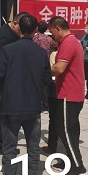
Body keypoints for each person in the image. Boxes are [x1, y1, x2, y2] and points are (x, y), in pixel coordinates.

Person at [0, 14, 52, 175]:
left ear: (19, 28)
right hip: (33, 107)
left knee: (9, 148)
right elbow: (46, 80)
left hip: (10, 107)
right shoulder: (41, 53)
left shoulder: (8, 50)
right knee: (33, 148)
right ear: (35, 30)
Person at [47, 16, 88, 175]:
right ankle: (69, 162)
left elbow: (58, 69)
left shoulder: (68, 43)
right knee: (68, 129)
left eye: (52, 32)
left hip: (68, 94)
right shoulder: (71, 41)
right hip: (70, 93)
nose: (52, 36)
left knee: (66, 131)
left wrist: (41, 70)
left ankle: (78, 168)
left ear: (58, 28)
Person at [0, 11, 28, 155]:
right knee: (0, 111)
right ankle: (0, 144)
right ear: (14, 23)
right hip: (1, 77)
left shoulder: (9, 31)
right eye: (20, 28)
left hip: (0, 76)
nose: (21, 32)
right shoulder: (6, 36)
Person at [33, 21, 59, 155]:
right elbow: (55, 45)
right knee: (45, 88)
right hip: (47, 65)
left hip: (36, 67)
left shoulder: (35, 37)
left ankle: (42, 103)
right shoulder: (49, 40)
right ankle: (45, 104)